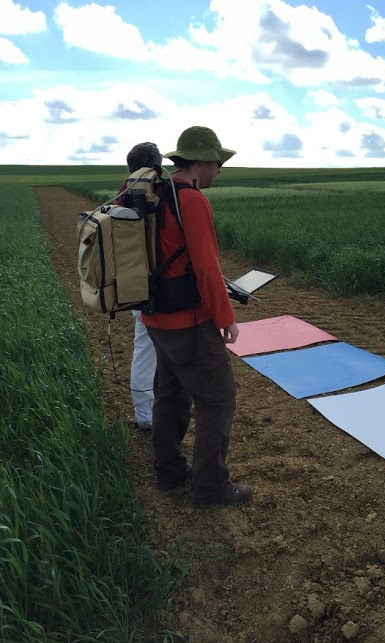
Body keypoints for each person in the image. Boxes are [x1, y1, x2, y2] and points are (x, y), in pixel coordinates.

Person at [141, 126, 252, 507]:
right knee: (218, 398)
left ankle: (169, 472)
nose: (220, 170)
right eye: (218, 162)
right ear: (202, 161)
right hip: (187, 322)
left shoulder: (154, 193)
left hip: (153, 317)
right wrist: (226, 318)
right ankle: (211, 487)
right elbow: (206, 268)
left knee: (169, 393)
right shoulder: (192, 201)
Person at [114, 142, 161, 432]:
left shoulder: (124, 193)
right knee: (149, 351)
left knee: (145, 348)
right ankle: (146, 416)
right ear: (154, 166)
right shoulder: (153, 192)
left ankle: (147, 412)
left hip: (133, 284)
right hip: (155, 288)